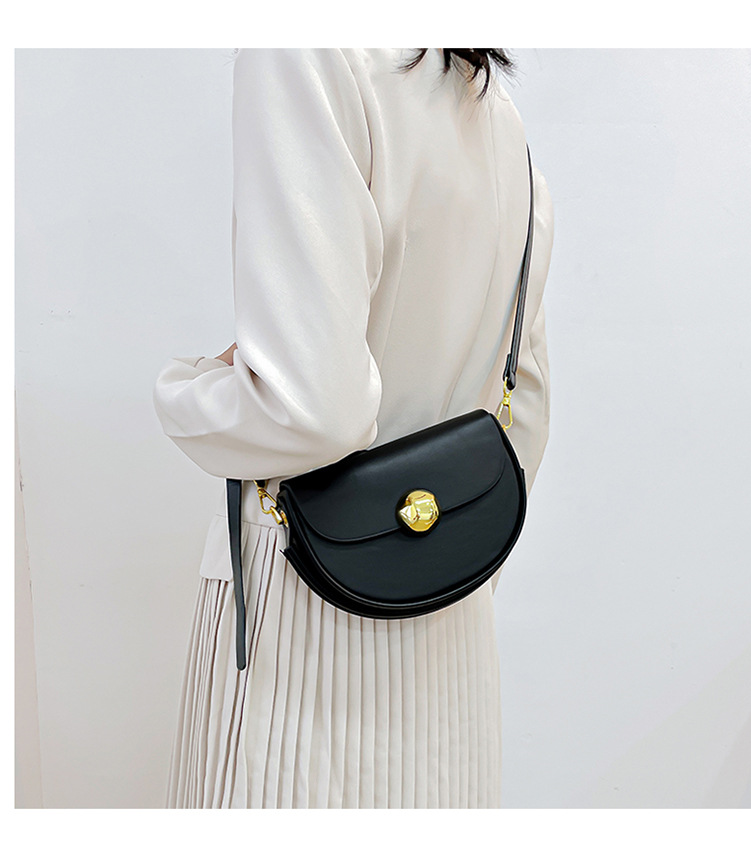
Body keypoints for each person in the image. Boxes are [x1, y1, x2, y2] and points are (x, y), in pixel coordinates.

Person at [153, 48, 553, 809]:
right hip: (453, 642)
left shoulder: (304, 51)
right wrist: (438, 561)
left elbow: (311, 410)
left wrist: (185, 391)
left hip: (304, 614)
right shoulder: (500, 121)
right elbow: (522, 405)